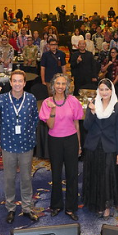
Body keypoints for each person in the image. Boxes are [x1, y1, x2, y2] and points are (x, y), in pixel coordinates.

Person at [0, 70, 40, 224]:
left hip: (26, 145)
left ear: (24, 83)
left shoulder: (30, 98)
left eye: (20, 81)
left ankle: (27, 208)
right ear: (10, 82)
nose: (17, 84)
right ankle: (10, 207)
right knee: (9, 178)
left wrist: (28, 133)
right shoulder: (2, 98)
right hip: (8, 145)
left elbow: (35, 118)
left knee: (26, 178)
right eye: (14, 81)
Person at [39, 73, 84, 221]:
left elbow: (77, 124)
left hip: (71, 140)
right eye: (58, 83)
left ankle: (71, 207)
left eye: (63, 84)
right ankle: (56, 205)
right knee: (56, 174)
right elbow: (50, 126)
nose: (60, 86)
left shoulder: (73, 101)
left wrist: (79, 144)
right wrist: (53, 110)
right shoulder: (47, 102)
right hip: (55, 141)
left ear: (67, 86)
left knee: (72, 174)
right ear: (53, 85)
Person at [82, 79, 118, 218]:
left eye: (107, 89)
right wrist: (93, 112)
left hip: (109, 146)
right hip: (93, 146)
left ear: (111, 91)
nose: (104, 92)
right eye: (101, 89)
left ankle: (106, 206)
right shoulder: (93, 104)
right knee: (95, 175)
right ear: (98, 91)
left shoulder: (117, 107)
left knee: (106, 177)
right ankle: (96, 204)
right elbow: (86, 126)